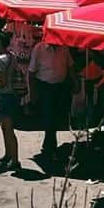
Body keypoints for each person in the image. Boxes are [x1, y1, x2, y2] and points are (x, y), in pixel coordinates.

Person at [29, 36, 73, 170]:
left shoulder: (64, 48)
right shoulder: (39, 48)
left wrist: (74, 81)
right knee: (50, 117)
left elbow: (70, 66)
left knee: (56, 117)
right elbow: (31, 72)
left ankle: (47, 145)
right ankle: (51, 149)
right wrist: (32, 93)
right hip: (45, 87)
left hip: (60, 87)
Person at [0, 32, 21, 171]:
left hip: (6, 96)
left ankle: (15, 160)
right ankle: (8, 155)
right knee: (5, 127)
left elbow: (2, 82)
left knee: (8, 129)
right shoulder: (12, 56)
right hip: (12, 95)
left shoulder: (1, 60)